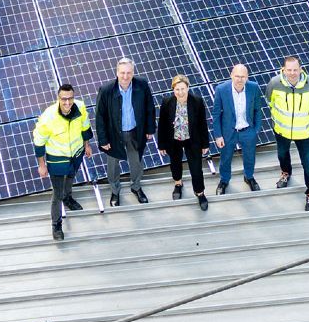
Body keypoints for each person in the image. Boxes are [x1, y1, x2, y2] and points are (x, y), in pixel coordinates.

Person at [31, 83, 91, 241]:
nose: (67, 103)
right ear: (58, 98)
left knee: (71, 178)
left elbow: (85, 126)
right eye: (63, 99)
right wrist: (42, 165)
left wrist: (87, 145)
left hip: (76, 154)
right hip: (57, 160)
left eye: (70, 98)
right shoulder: (48, 117)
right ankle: (56, 225)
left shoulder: (80, 107)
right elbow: (39, 142)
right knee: (56, 194)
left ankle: (68, 198)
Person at [95, 57, 154, 205]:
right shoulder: (106, 90)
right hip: (113, 134)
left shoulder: (142, 85)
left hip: (135, 132)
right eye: (122, 73)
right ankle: (115, 191)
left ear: (133, 72)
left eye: (129, 73)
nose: (125, 76)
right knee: (113, 164)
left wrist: (149, 128)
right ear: (117, 72)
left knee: (136, 162)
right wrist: (103, 139)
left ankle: (136, 187)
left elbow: (149, 108)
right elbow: (99, 116)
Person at [268, 55, 309, 210]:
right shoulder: (274, 83)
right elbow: (269, 101)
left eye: (295, 70)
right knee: (282, 155)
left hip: (304, 133)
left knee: (308, 165)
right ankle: (286, 173)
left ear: (300, 69)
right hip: (282, 130)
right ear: (283, 70)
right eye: (289, 70)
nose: (292, 73)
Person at [156, 74, 210, 211]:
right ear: (173, 90)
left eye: (182, 89)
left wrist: (205, 144)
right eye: (177, 89)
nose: (180, 92)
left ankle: (200, 192)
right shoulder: (167, 102)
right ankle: (178, 184)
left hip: (193, 140)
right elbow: (162, 124)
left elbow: (203, 124)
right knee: (175, 163)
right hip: (173, 139)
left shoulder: (197, 101)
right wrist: (161, 144)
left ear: (188, 87)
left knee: (196, 168)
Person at [213, 63, 262, 195]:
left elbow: (258, 109)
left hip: (247, 131)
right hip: (229, 131)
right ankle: (224, 180)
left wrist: (256, 129)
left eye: (243, 77)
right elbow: (216, 114)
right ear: (231, 76)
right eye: (237, 76)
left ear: (247, 77)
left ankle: (249, 177)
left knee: (250, 157)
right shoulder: (221, 90)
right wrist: (218, 135)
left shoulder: (254, 88)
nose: (240, 79)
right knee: (226, 158)